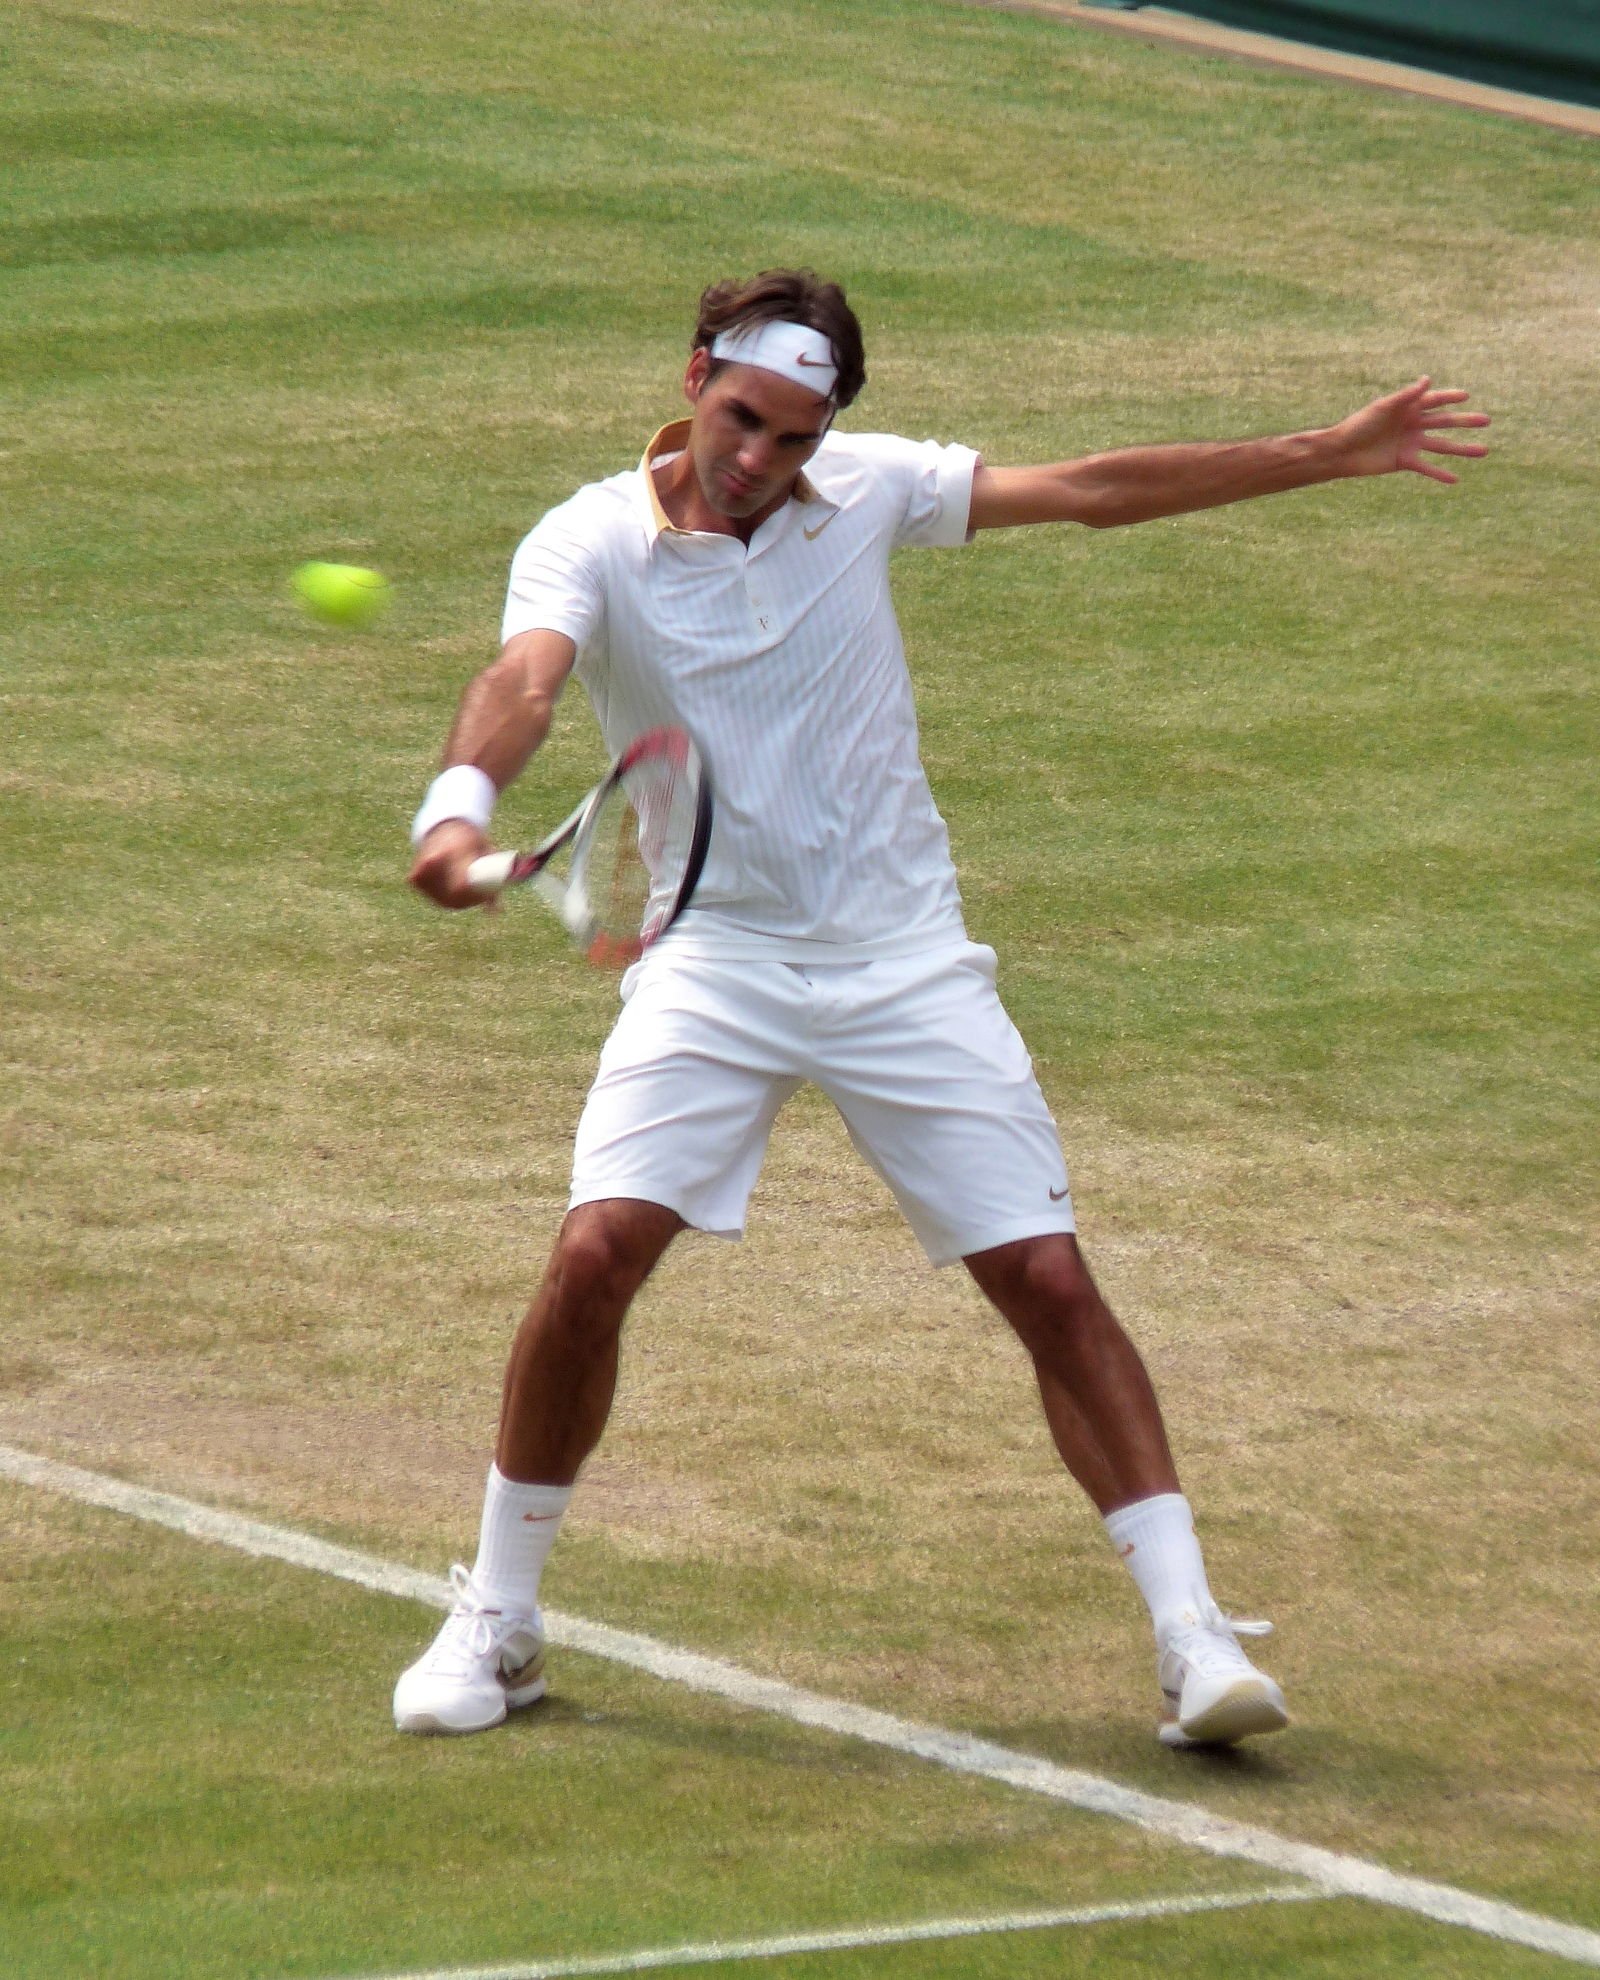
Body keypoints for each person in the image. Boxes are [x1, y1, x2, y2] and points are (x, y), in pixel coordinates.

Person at [395, 269, 1487, 1748]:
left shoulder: (876, 489)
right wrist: (457, 814)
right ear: (696, 375)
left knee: (1045, 1280)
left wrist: (1323, 451)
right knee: (594, 1254)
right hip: (712, 967)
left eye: (795, 437)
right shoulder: (589, 536)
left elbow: (1096, 489)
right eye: (742, 421)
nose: (763, 462)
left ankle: (1192, 1639)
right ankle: (500, 1620)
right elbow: (523, 682)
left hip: (903, 959)